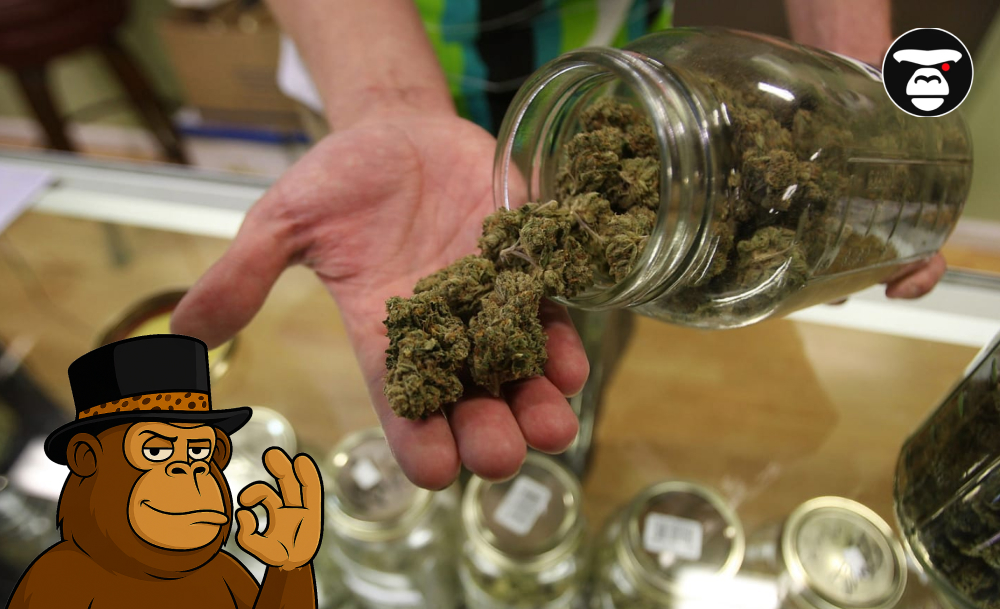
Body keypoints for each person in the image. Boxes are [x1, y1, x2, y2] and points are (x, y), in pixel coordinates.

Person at [171, 0, 948, 491]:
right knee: (544, 366)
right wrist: (388, 103)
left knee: (589, 336)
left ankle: (563, 463)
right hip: (368, 69)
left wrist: (865, 107)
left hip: (625, 76)